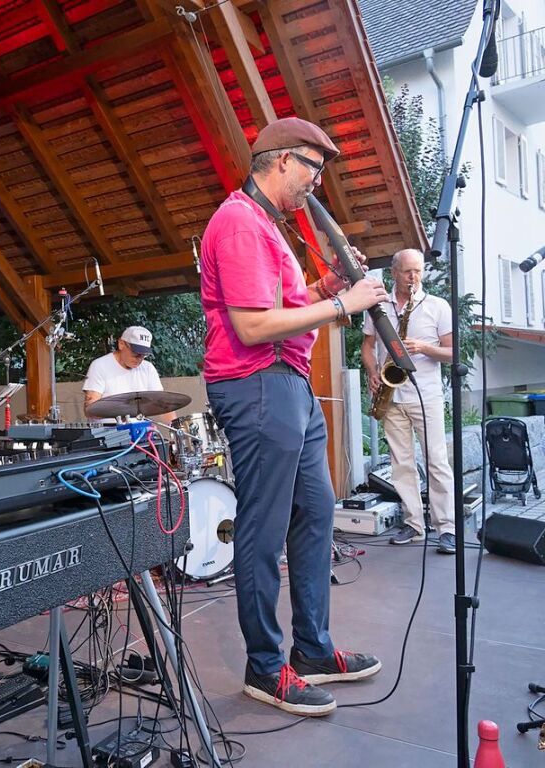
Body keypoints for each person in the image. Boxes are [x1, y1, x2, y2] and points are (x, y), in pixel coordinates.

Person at [200, 117, 385, 717]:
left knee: (317, 510)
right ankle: (263, 667)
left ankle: (311, 648)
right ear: (281, 161)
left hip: (290, 386)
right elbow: (253, 325)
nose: (316, 182)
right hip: (256, 386)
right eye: (313, 168)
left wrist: (330, 281)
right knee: (264, 524)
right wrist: (342, 303)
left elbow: (286, 306)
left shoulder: (268, 227)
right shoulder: (238, 222)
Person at [361, 248, 455, 554]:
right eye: (407, 271)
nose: (414, 277)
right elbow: (368, 345)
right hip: (391, 394)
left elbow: (452, 352)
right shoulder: (379, 305)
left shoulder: (437, 306)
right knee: (401, 464)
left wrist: (425, 348)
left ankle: (447, 528)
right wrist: (373, 372)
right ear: (394, 272)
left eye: (418, 271)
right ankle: (414, 524)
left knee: (436, 462)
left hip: (425, 394)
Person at [82, 326, 176, 422]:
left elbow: (161, 403)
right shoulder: (100, 365)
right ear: (121, 344)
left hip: (141, 431)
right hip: (109, 432)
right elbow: (90, 410)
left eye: (143, 355)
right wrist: (122, 412)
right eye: (136, 353)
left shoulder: (148, 368)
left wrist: (176, 426)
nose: (139, 358)